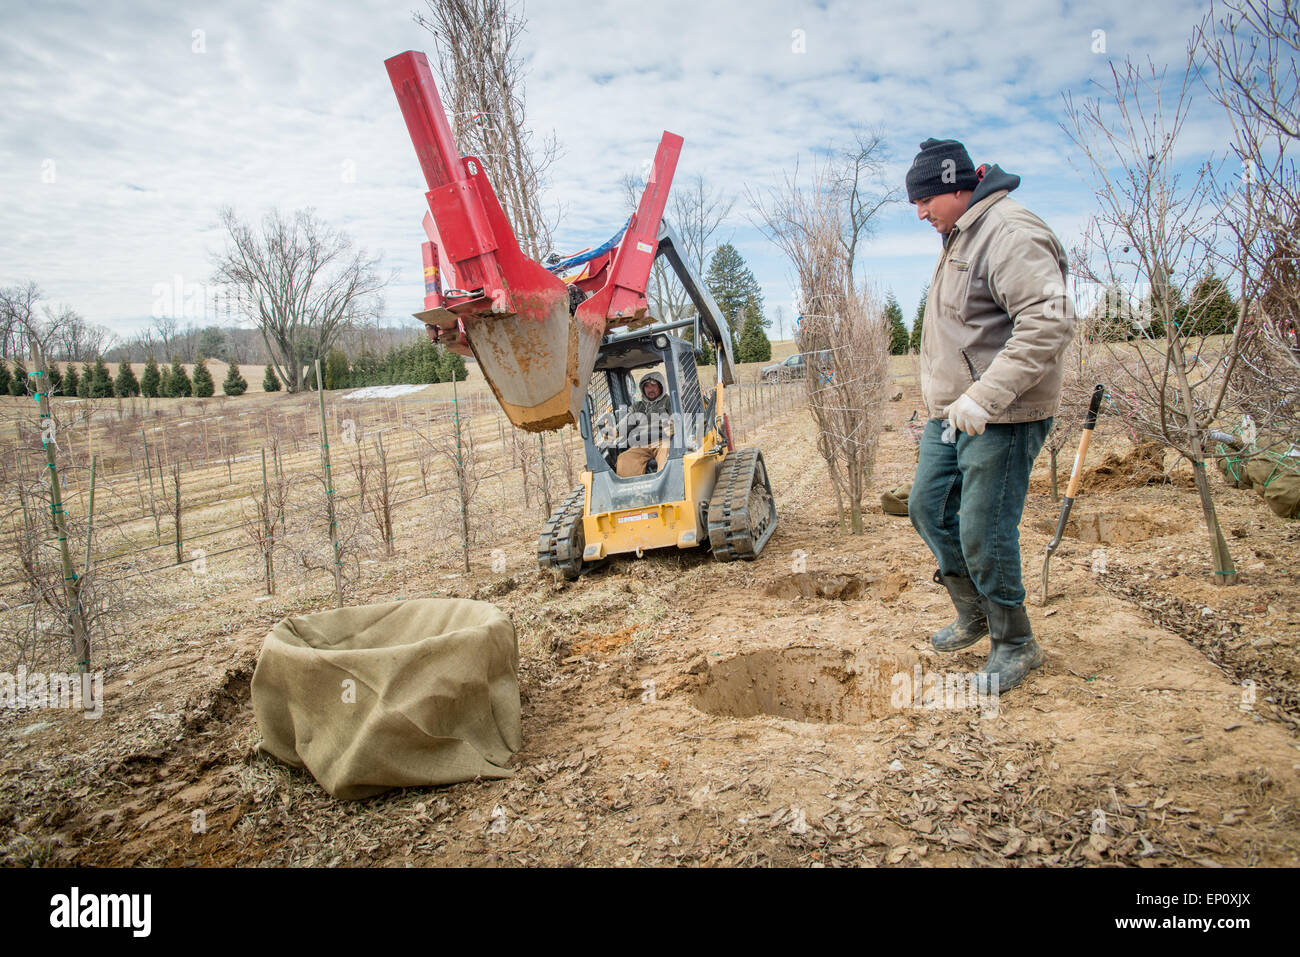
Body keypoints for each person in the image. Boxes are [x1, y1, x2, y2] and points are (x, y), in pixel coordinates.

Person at [905, 138, 1076, 693]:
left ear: (958, 187)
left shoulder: (1008, 232)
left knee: (983, 529)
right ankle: (974, 610)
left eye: (926, 199)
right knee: (928, 508)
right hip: (953, 413)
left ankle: (1015, 642)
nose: (920, 212)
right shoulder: (961, 232)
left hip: (1003, 414)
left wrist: (984, 397)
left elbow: (1048, 323)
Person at [615, 371, 671, 477]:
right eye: (647, 387)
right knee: (623, 458)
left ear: (661, 386)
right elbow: (628, 420)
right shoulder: (637, 406)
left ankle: (664, 483)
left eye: (653, 386)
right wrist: (616, 431)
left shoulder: (668, 401)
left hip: (662, 442)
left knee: (666, 452)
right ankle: (632, 491)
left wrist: (671, 424)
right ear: (642, 389)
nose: (650, 389)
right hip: (641, 444)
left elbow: (676, 418)